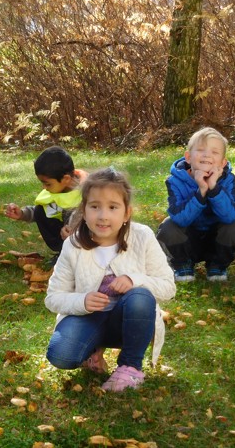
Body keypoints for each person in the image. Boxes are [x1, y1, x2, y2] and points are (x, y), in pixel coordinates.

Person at [45, 168, 176, 392]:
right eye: (95, 206)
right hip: (88, 318)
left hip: (129, 321)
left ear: (126, 213)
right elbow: (53, 298)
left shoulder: (142, 236)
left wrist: (134, 279)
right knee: (61, 355)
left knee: (140, 296)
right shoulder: (73, 245)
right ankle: (91, 349)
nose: (103, 216)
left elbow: (168, 287)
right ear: (84, 210)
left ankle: (130, 367)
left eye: (113, 207)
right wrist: (82, 301)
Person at [156, 127, 235, 282]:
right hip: (188, 238)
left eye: (214, 152)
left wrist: (214, 188)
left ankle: (217, 265)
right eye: (200, 150)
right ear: (188, 157)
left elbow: (230, 215)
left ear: (223, 162)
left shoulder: (228, 179)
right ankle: (182, 264)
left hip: (216, 239)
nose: (207, 155)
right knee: (168, 227)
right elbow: (180, 219)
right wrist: (201, 192)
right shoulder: (175, 181)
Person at [5, 146, 88, 263]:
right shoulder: (58, 189)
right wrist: (22, 214)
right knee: (40, 210)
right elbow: (46, 209)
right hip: (67, 235)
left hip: (89, 238)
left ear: (66, 179)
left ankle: (78, 257)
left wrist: (75, 233)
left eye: (48, 184)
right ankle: (63, 253)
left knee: (69, 213)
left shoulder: (89, 191)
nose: (44, 187)